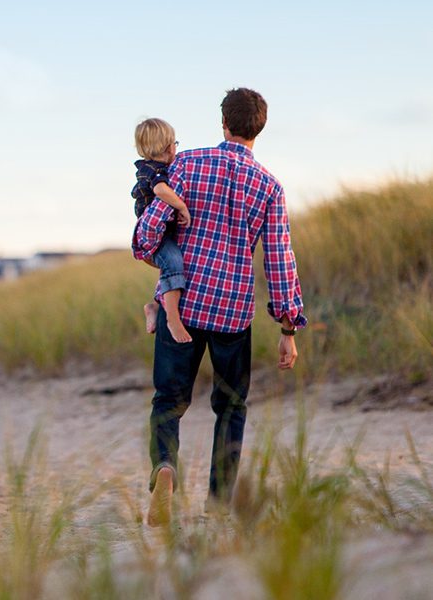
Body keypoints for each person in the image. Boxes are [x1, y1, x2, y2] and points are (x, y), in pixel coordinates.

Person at [132, 88, 306, 526]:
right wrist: (287, 329)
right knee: (231, 407)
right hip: (233, 312)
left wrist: (153, 253)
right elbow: (279, 259)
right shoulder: (270, 186)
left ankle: (165, 468)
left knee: (168, 402)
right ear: (259, 129)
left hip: (184, 304)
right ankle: (219, 502)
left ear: (223, 123)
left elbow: (148, 231)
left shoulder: (186, 163)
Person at [132, 118, 194, 343]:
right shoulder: (154, 170)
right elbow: (160, 191)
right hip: (153, 235)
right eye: (175, 143)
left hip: (162, 232)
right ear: (169, 147)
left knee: (172, 266)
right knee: (174, 262)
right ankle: (172, 319)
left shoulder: (154, 167)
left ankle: (155, 306)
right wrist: (181, 206)